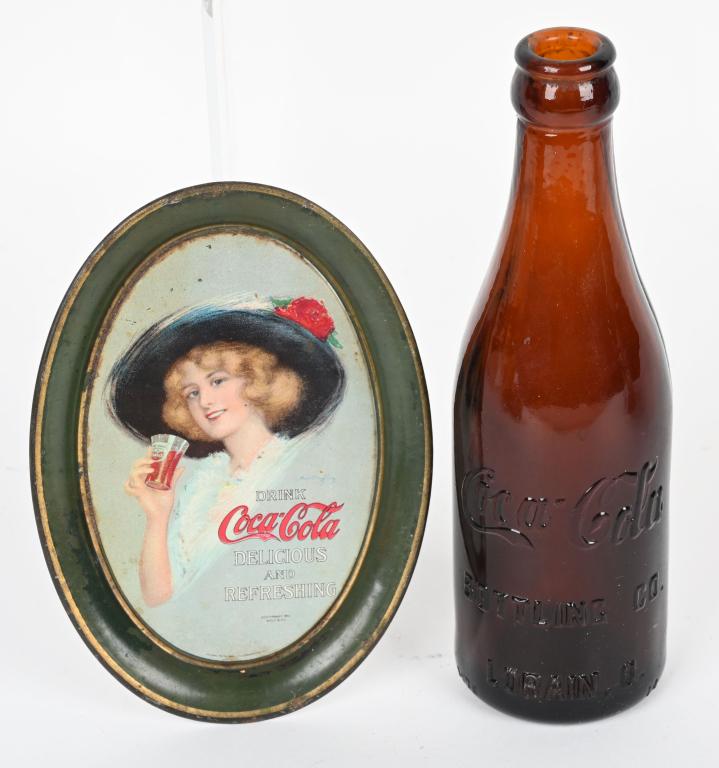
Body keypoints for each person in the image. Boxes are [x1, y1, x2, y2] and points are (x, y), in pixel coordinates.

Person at [109, 298, 345, 607]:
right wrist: (158, 515)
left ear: (258, 379)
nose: (205, 401)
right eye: (192, 393)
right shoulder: (203, 486)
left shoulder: (294, 464)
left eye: (217, 381)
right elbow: (158, 600)